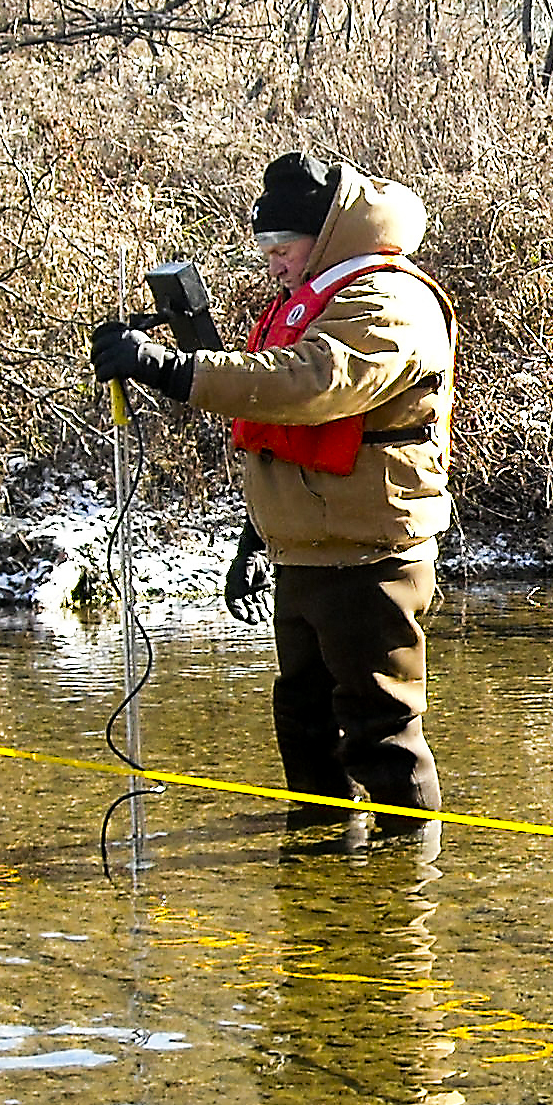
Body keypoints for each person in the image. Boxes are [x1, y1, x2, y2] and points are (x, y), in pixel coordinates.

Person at [91, 151, 455, 820]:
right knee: (306, 728)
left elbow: (311, 385)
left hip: (372, 555)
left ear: (330, 235)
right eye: (265, 249)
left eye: (283, 247)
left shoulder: (390, 300)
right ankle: (320, 885)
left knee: (383, 737)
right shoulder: (311, 299)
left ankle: (403, 899)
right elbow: (277, 430)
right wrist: (254, 541)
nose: (274, 263)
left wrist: (174, 370)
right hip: (306, 551)